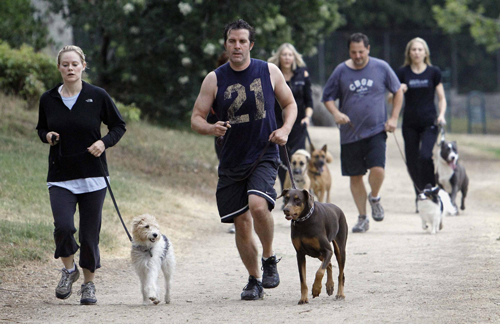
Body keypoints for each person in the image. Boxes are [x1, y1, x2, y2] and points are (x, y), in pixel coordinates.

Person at [191, 19, 297, 300]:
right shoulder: (214, 78)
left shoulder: (269, 71)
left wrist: (285, 130)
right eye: (231, 41)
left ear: (250, 45)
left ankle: (269, 257)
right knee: (241, 222)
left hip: (264, 152)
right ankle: (254, 280)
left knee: (258, 205)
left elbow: (290, 104)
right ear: (225, 45)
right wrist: (212, 128)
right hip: (231, 159)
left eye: (242, 41)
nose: (236, 46)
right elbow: (196, 119)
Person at [36, 45, 126, 305]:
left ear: (83, 66)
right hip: (60, 175)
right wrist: (47, 136)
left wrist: (104, 143)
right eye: (65, 64)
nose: (70, 68)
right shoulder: (48, 98)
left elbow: (119, 126)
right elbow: (41, 128)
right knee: (63, 227)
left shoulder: (97, 96)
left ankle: (88, 284)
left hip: (93, 177)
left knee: (89, 236)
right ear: (59, 68)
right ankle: (68, 270)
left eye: (75, 64)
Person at [322, 33, 403, 233]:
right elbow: (327, 97)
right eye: (353, 52)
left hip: (377, 130)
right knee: (355, 176)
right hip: (350, 133)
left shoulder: (381, 67)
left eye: (361, 51)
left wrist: (393, 118)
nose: (357, 56)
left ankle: (374, 197)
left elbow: (398, 90)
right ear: (349, 51)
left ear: (368, 49)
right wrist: (336, 113)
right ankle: (363, 217)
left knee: (378, 169)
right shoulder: (341, 70)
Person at [395, 37, 446, 208]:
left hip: (429, 122)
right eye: (413, 49)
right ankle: (419, 195)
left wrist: (442, 115)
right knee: (411, 161)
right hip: (409, 123)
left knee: (425, 156)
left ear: (425, 52)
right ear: (409, 53)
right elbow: (390, 97)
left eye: (420, 49)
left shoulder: (434, 72)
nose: (416, 52)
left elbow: (441, 98)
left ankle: (431, 192)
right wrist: (398, 91)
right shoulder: (402, 73)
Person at [268, 43, 313, 193]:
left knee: (298, 158)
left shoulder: (303, 74)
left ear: (294, 57)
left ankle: (300, 191)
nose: (287, 58)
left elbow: (309, 101)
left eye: (290, 55)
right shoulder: (272, 74)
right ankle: (285, 191)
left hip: (299, 124)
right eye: (284, 55)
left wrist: (307, 118)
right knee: (282, 160)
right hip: (278, 123)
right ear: (279, 57)